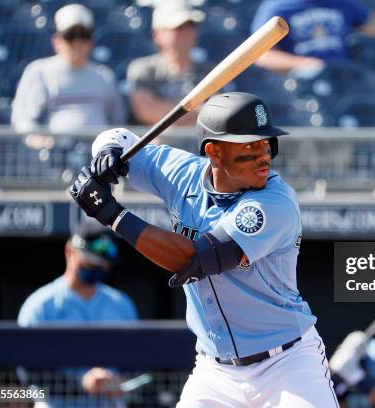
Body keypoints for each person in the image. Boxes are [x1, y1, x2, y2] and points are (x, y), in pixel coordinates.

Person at [69, 92, 339, 407]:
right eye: (250, 146)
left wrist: (113, 215)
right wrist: (108, 155)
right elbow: (118, 137)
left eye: (267, 144)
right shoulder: (181, 173)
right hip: (216, 372)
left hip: (287, 364)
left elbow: (194, 258)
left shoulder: (274, 202)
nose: (264, 155)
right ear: (214, 151)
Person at [18, 220, 137, 407]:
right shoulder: (39, 306)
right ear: (70, 251)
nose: (99, 266)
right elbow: (29, 374)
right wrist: (81, 383)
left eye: (104, 262)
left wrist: (120, 381)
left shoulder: (121, 305)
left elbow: (137, 365)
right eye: (91, 259)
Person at [11, 4, 125, 133]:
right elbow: (23, 119)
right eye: (70, 36)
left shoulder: (104, 75)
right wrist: (37, 138)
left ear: (91, 41)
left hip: (99, 151)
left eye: (83, 35)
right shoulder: (39, 72)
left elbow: (117, 120)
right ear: (56, 40)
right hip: (54, 151)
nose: (77, 43)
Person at [127, 1, 205, 127]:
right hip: (158, 146)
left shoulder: (209, 71)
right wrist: (199, 112)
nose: (186, 32)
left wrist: (167, 117)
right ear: (158, 34)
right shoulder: (143, 69)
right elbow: (147, 111)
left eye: (191, 25)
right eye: (178, 28)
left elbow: (217, 113)